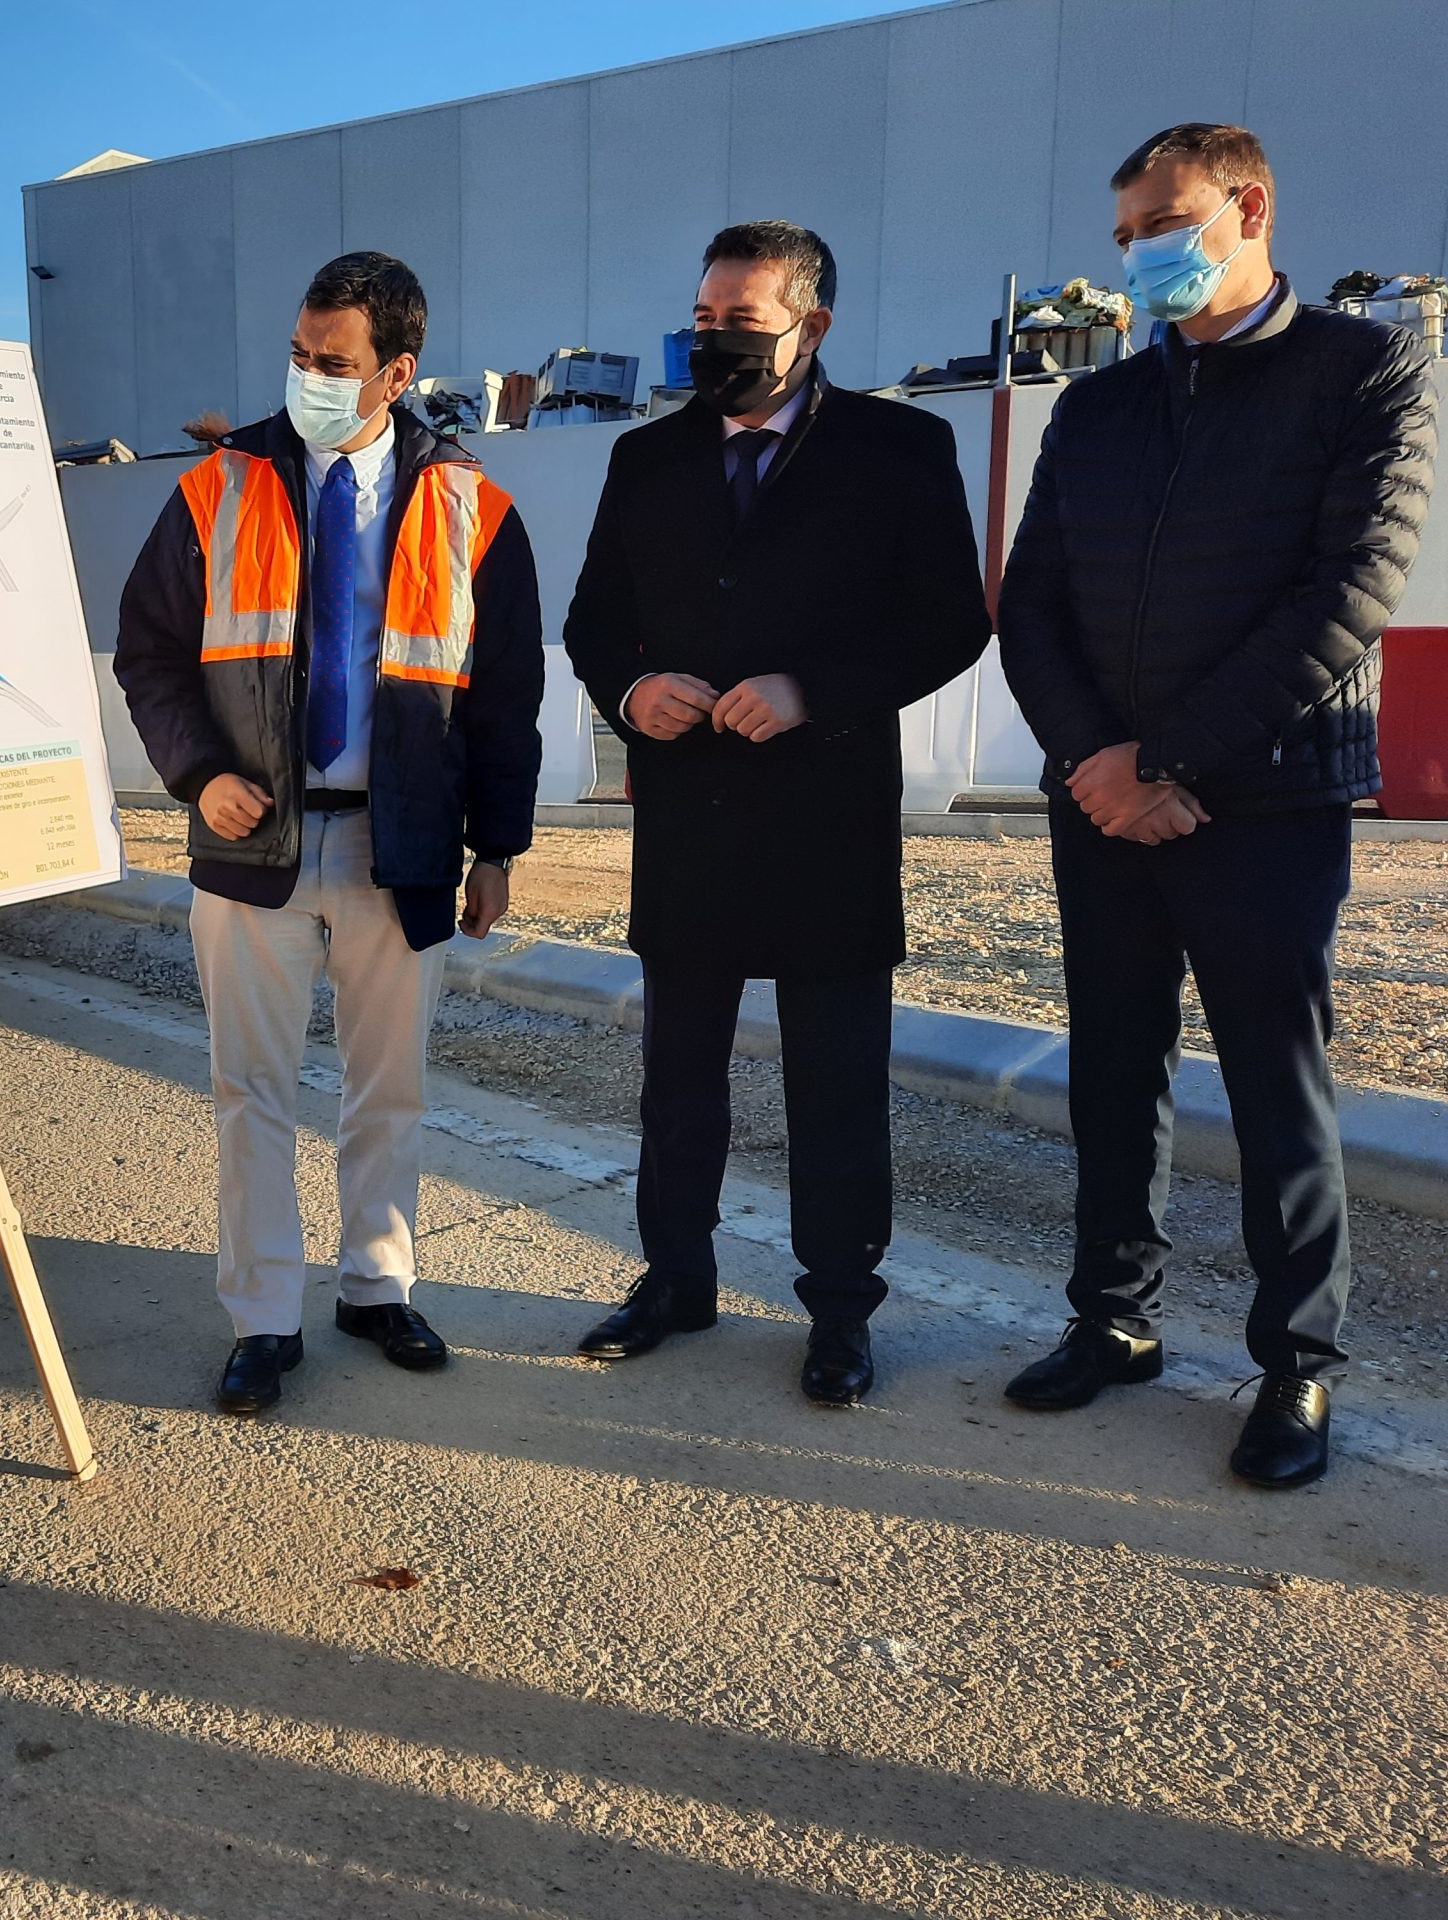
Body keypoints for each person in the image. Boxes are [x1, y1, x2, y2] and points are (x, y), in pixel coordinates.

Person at [997, 123, 1435, 1488]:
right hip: (1103, 801)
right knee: (1113, 1070)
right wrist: (1097, 764)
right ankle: (1111, 1323)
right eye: (1126, 232)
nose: (1139, 254)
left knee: (1272, 1087)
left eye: (1163, 223)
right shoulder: (1102, 405)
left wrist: (1168, 761)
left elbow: (1349, 596)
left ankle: (1296, 1365)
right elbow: (1032, 611)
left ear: (1247, 208)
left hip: (1271, 802)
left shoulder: (1364, 371)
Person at [563, 221, 991, 1405]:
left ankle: (841, 1311)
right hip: (689, 820)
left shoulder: (901, 449)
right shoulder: (646, 462)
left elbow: (950, 621)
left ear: (814, 325)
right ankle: (674, 1278)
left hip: (827, 820)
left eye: (742, 324)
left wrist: (815, 691)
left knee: (835, 1086)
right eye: (702, 322)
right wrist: (632, 688)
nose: (715, 343)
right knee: (679, 1079)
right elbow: (598, 621)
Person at [114, 251, 543, 1416]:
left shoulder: (473, 506)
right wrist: (197, 776)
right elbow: (148, 654)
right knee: (249, 1090)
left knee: (386, 1085)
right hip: (247, 845)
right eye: (298, 355)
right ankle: (261, 1316)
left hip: (397, 844)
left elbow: (503, 697)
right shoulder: (220, 486)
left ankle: (376, 1283)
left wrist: (495, 846)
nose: (307, 375)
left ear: (397, 372)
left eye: (333, 363)